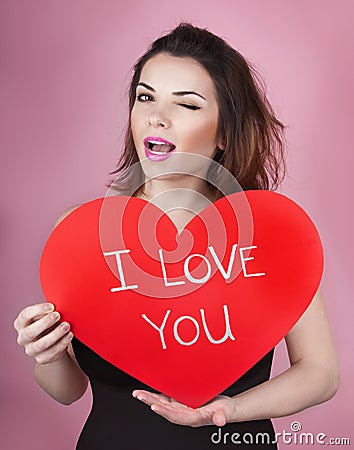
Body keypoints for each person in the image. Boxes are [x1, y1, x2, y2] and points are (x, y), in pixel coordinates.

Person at [13, 23, 339, 449]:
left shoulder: (271, 232)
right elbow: (67, 389)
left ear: (224, 133)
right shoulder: (79, 233)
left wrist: (227, 410)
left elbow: (320, 373)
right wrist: (49, 354)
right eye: (145, 97)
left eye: (186, 105)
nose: (156, 116)